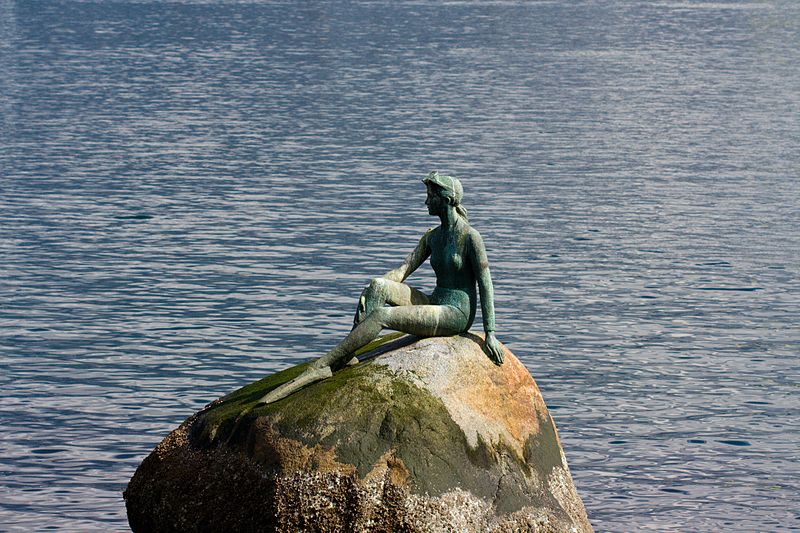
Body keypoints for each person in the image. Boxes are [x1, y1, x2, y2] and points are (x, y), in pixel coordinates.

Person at [259, 171, 504, 405]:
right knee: (378, 286)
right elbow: (401, 271)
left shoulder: (471, 237)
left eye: (431, 196)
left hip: (455, 313)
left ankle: (323, 365)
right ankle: (347, 355)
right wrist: (375, 289)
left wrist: (489, 332)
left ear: (447, 199)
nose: (425, 201)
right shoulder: (433, 237)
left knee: (382, 316)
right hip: (434, 300)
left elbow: (485, 283)